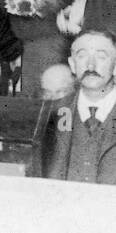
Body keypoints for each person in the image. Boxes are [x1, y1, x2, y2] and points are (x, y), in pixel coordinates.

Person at [44, 30, 116, 185]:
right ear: (72, 64)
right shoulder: (51, 115)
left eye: (101, 56)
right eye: (82, 55)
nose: (90, 65)